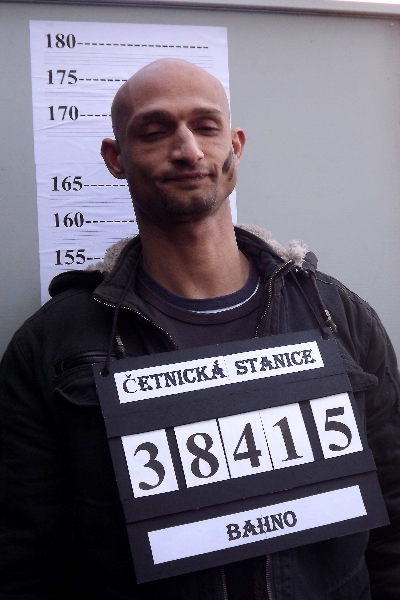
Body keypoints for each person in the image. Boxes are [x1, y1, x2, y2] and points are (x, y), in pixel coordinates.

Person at [0, 58, 399, 600]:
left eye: (206, 126)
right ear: (115, 158)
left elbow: (392, 521)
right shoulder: (52, 345)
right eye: (154, 131)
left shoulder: (339, 316)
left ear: (235, 145)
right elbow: (26, 561)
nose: (187, 150)